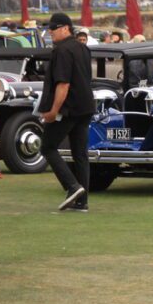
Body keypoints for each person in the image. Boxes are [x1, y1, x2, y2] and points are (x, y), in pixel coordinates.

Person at [39, 11, 95, 212]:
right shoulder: (83, 48)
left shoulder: (61, 51)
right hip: (86, 106)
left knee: (47, 147)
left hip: (69, 108)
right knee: (80, 153)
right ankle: (82, 202)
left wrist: (53, 111)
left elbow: (63, 84)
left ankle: (73, 187)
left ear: (65, 28)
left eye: (53, 29)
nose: (50, 32)